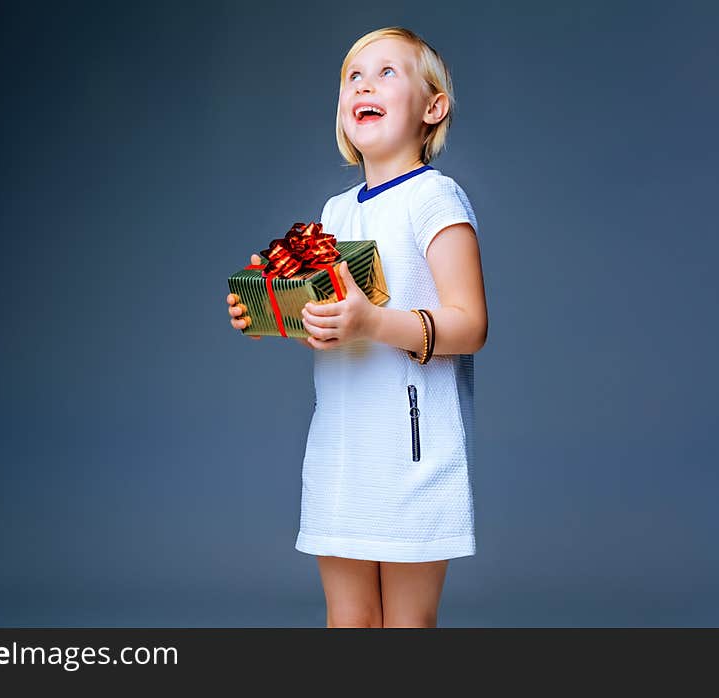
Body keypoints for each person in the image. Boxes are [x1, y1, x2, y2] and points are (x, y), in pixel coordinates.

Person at [225, 26, 488, 628]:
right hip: (341, 446)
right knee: (347, 620)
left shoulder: (436, 199)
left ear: (433, 107)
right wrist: (269, 308)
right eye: (352, 77)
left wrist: (372, 321)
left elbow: (469, 324)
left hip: (412, 448)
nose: (364, 84)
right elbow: (334, 316)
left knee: (406, 625)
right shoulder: (337, 212)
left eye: (387, 73)